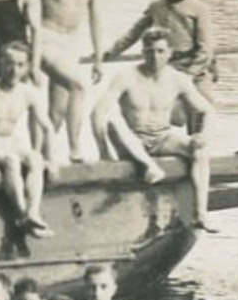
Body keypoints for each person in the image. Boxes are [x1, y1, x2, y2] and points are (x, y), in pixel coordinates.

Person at [90, 27, 217, 222]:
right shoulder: (126, 76)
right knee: (113, 123)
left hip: (163, 139)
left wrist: (204, 135)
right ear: (142, 53)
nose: (155, 57)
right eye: (149, 51)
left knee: (200, 152)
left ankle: (200, 214)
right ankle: (151, 167)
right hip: (133, 143)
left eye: (160, 51)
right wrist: (103, 151)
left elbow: (207, 110)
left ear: (169, 53)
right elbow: (97, 112)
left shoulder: (178, 79)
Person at [104, 0, 215, 133]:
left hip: (194, 69)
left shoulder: (200, 9)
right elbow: (134, 33)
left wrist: (189, 75)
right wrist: (111, 52)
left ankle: (198, 151)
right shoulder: (156, 7)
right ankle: (154, 146)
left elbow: (206, 48)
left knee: (202, 111)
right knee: (149, 107)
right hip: (166, 67)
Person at [0, 41, 58, 237]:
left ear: (26, 67)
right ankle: (21, 214)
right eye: (9, 63)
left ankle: (33, 212)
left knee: (35, 158)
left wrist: (50, 159)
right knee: (12, 160)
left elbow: (48, 127)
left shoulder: (28, 92)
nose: (14, 70)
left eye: (20, 65)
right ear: (1, 63)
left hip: (8, 141)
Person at [31, 0, 104, 163]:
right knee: (79, 86)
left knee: (57, 112)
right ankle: (75, 150)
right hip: (46, 38)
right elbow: (25, 6)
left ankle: (42, 158)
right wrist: (30, 53)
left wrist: (98, 58)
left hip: (71, 44)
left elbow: (95, 18)